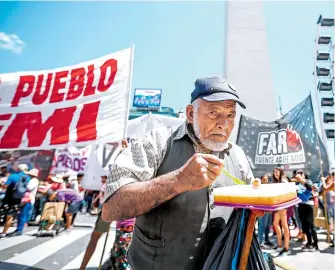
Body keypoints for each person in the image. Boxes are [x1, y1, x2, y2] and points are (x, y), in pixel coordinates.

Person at [102, 76, 256, 270]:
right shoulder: (157, 142)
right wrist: (178, 180)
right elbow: (111, 208)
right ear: (191, 114)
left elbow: (250, 212)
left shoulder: (238, 155)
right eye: (214, 113)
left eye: (230, 115)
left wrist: (260, 206)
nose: (223, 124)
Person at [80, 139, 131, 270]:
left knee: (121, 244)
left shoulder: (128, 170)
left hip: (124, 212)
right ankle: (83, 267)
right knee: (97, 237)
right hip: (111, 208)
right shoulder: (113, 173)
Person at [0, 164, 30, 238]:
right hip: (18, 199)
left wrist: (1, 183)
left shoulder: (13, 176)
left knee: (2, 214)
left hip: (8, 198)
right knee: (10, 216)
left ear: (18, 169)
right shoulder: (27, 177)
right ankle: (4, 233)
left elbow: (5, 186)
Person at [295, 170, 319, 251]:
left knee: (311, 226)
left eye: (300, 174)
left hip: (308, 206)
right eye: (297, 174)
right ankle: (309, 242)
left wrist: (301, 180)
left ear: (303, 175)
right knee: (305, 226)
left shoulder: (308, 181)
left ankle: (315, 244)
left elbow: (309, 187)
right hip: (300, 206)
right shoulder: (296, 185)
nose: (298, 175)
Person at [12, 168, 39, 236]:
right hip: (25, 199)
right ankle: (18, 229)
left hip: (28, 199)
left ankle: (19, 230)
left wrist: (23, 184)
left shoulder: (34, 181)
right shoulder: (31, 180)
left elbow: (29, 188)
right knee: (21, 214)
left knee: (23, 214)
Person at [271, 167, 291, 255]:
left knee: (284, 225)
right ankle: (280, 245)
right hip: (278, 206)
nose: (275, 173)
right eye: (274, 172)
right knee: (275, 224)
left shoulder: (283, 180)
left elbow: (288, 191)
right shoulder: (277, 182)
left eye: (277, 171)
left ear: (281, 172)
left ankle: (286, 247)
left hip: (283, 206)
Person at [257, 174, 273, 248]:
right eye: (264, 179)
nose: (265, 181)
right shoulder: (258, 188)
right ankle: (260, 242)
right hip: (262, 209)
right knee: (261, 226)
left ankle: (266, 240)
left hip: (269, 209)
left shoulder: (269, 188)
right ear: (261, 180)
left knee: (267, 226)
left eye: (266, 179)